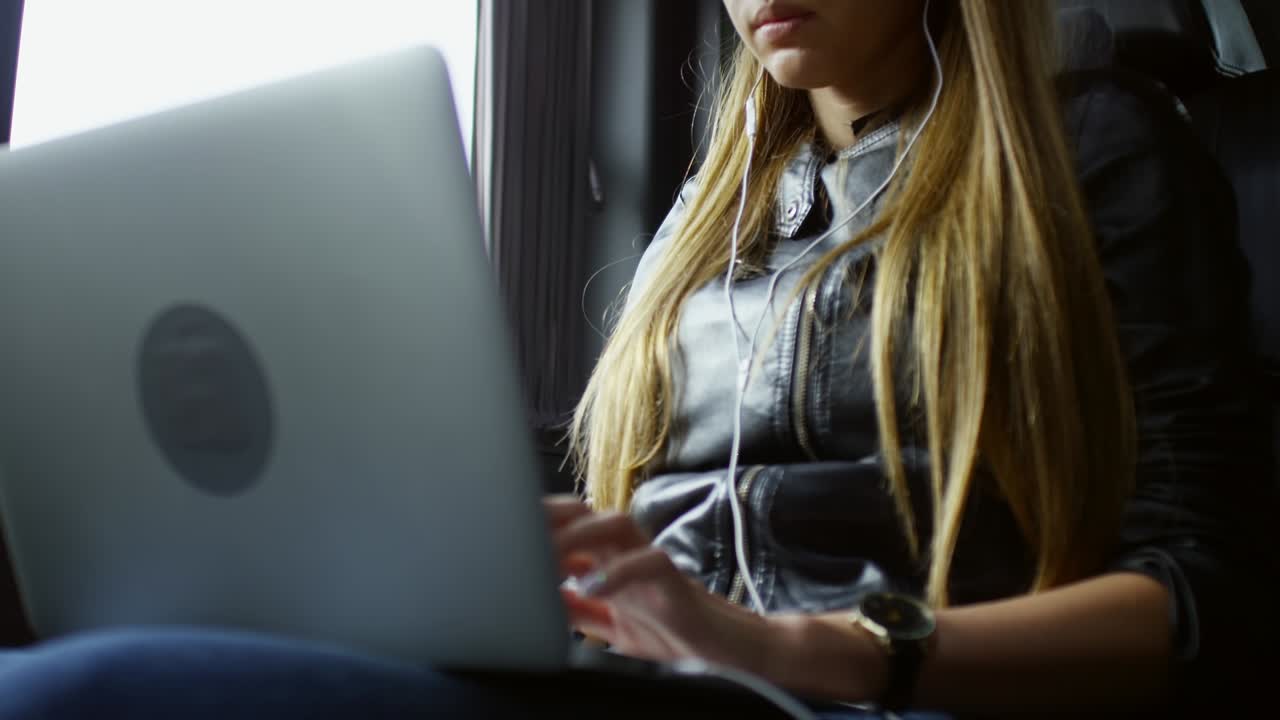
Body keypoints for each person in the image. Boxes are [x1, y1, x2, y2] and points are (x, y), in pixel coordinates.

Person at [0, 1, 1273, 718]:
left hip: (849, 697)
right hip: (635, 680)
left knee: (81, 699)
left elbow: (1195, 595)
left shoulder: (1089, 152)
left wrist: (800, 647)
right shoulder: (706, 220)